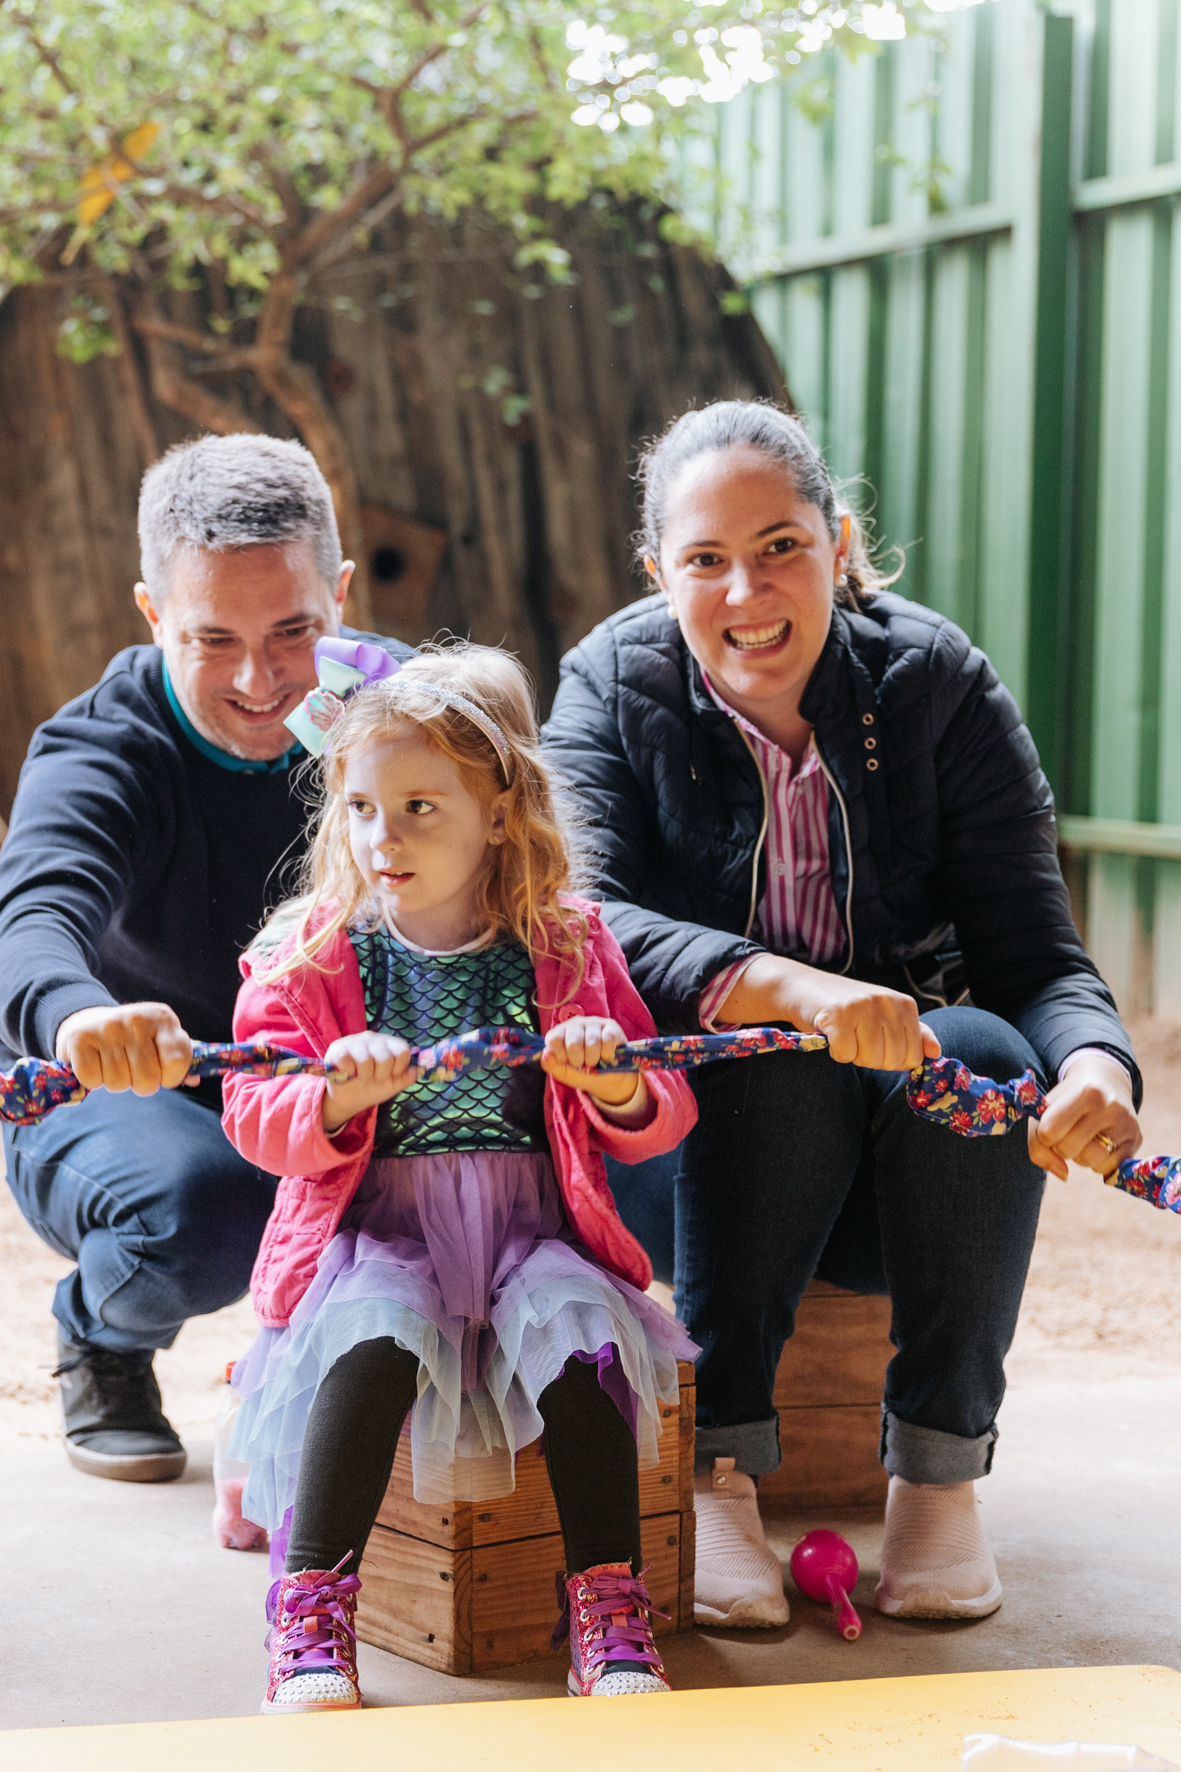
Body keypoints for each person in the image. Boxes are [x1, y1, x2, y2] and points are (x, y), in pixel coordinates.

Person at [541, 401, 1142, 1628]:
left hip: (894, 1187)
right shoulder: (608, 682)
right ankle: (716, 1468)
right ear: (657, 573)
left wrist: (1095, 1066)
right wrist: (791, 990)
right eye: (704, 559)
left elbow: (1035, 953)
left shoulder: (935, 682)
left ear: (839, 541)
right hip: (679, 1160)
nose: (745, 591)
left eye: (779, 546)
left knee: (982, 1050)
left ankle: (936, 1475)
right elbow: (575, 919)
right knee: (776, 1057)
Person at [219, 642, 696, 1713]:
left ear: (499, 813)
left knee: (583, 1338)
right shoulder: (311, 953)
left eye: (419, 808)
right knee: (371, 1337)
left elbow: (661, 1110)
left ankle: (606, 1604)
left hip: (531, 1229)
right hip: (380, 1231)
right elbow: (252, 1110)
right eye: (361, 808)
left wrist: (615, 1081)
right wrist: (332, 1098)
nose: (381, 838)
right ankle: (311, 1609)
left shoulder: (565, 943)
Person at [0, 434, 412, 1483]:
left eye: (293, 631)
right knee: (209, 1208)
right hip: (136, 1083)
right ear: (152, 614)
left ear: (341, 592)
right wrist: (78, 1017)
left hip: (350, 1068)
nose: (257, 678)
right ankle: (100, 1334)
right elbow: (32, 915)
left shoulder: (408, 706)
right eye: (211, 637)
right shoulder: (103, 746)